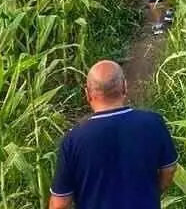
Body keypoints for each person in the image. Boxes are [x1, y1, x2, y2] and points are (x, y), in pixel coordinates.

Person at [48, 60, 177, 209]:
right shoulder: (153, 123)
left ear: (88, 94)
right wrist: (150, 195)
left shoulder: (73, 140)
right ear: (124, 86)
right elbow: (169, 170)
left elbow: (59, 205)